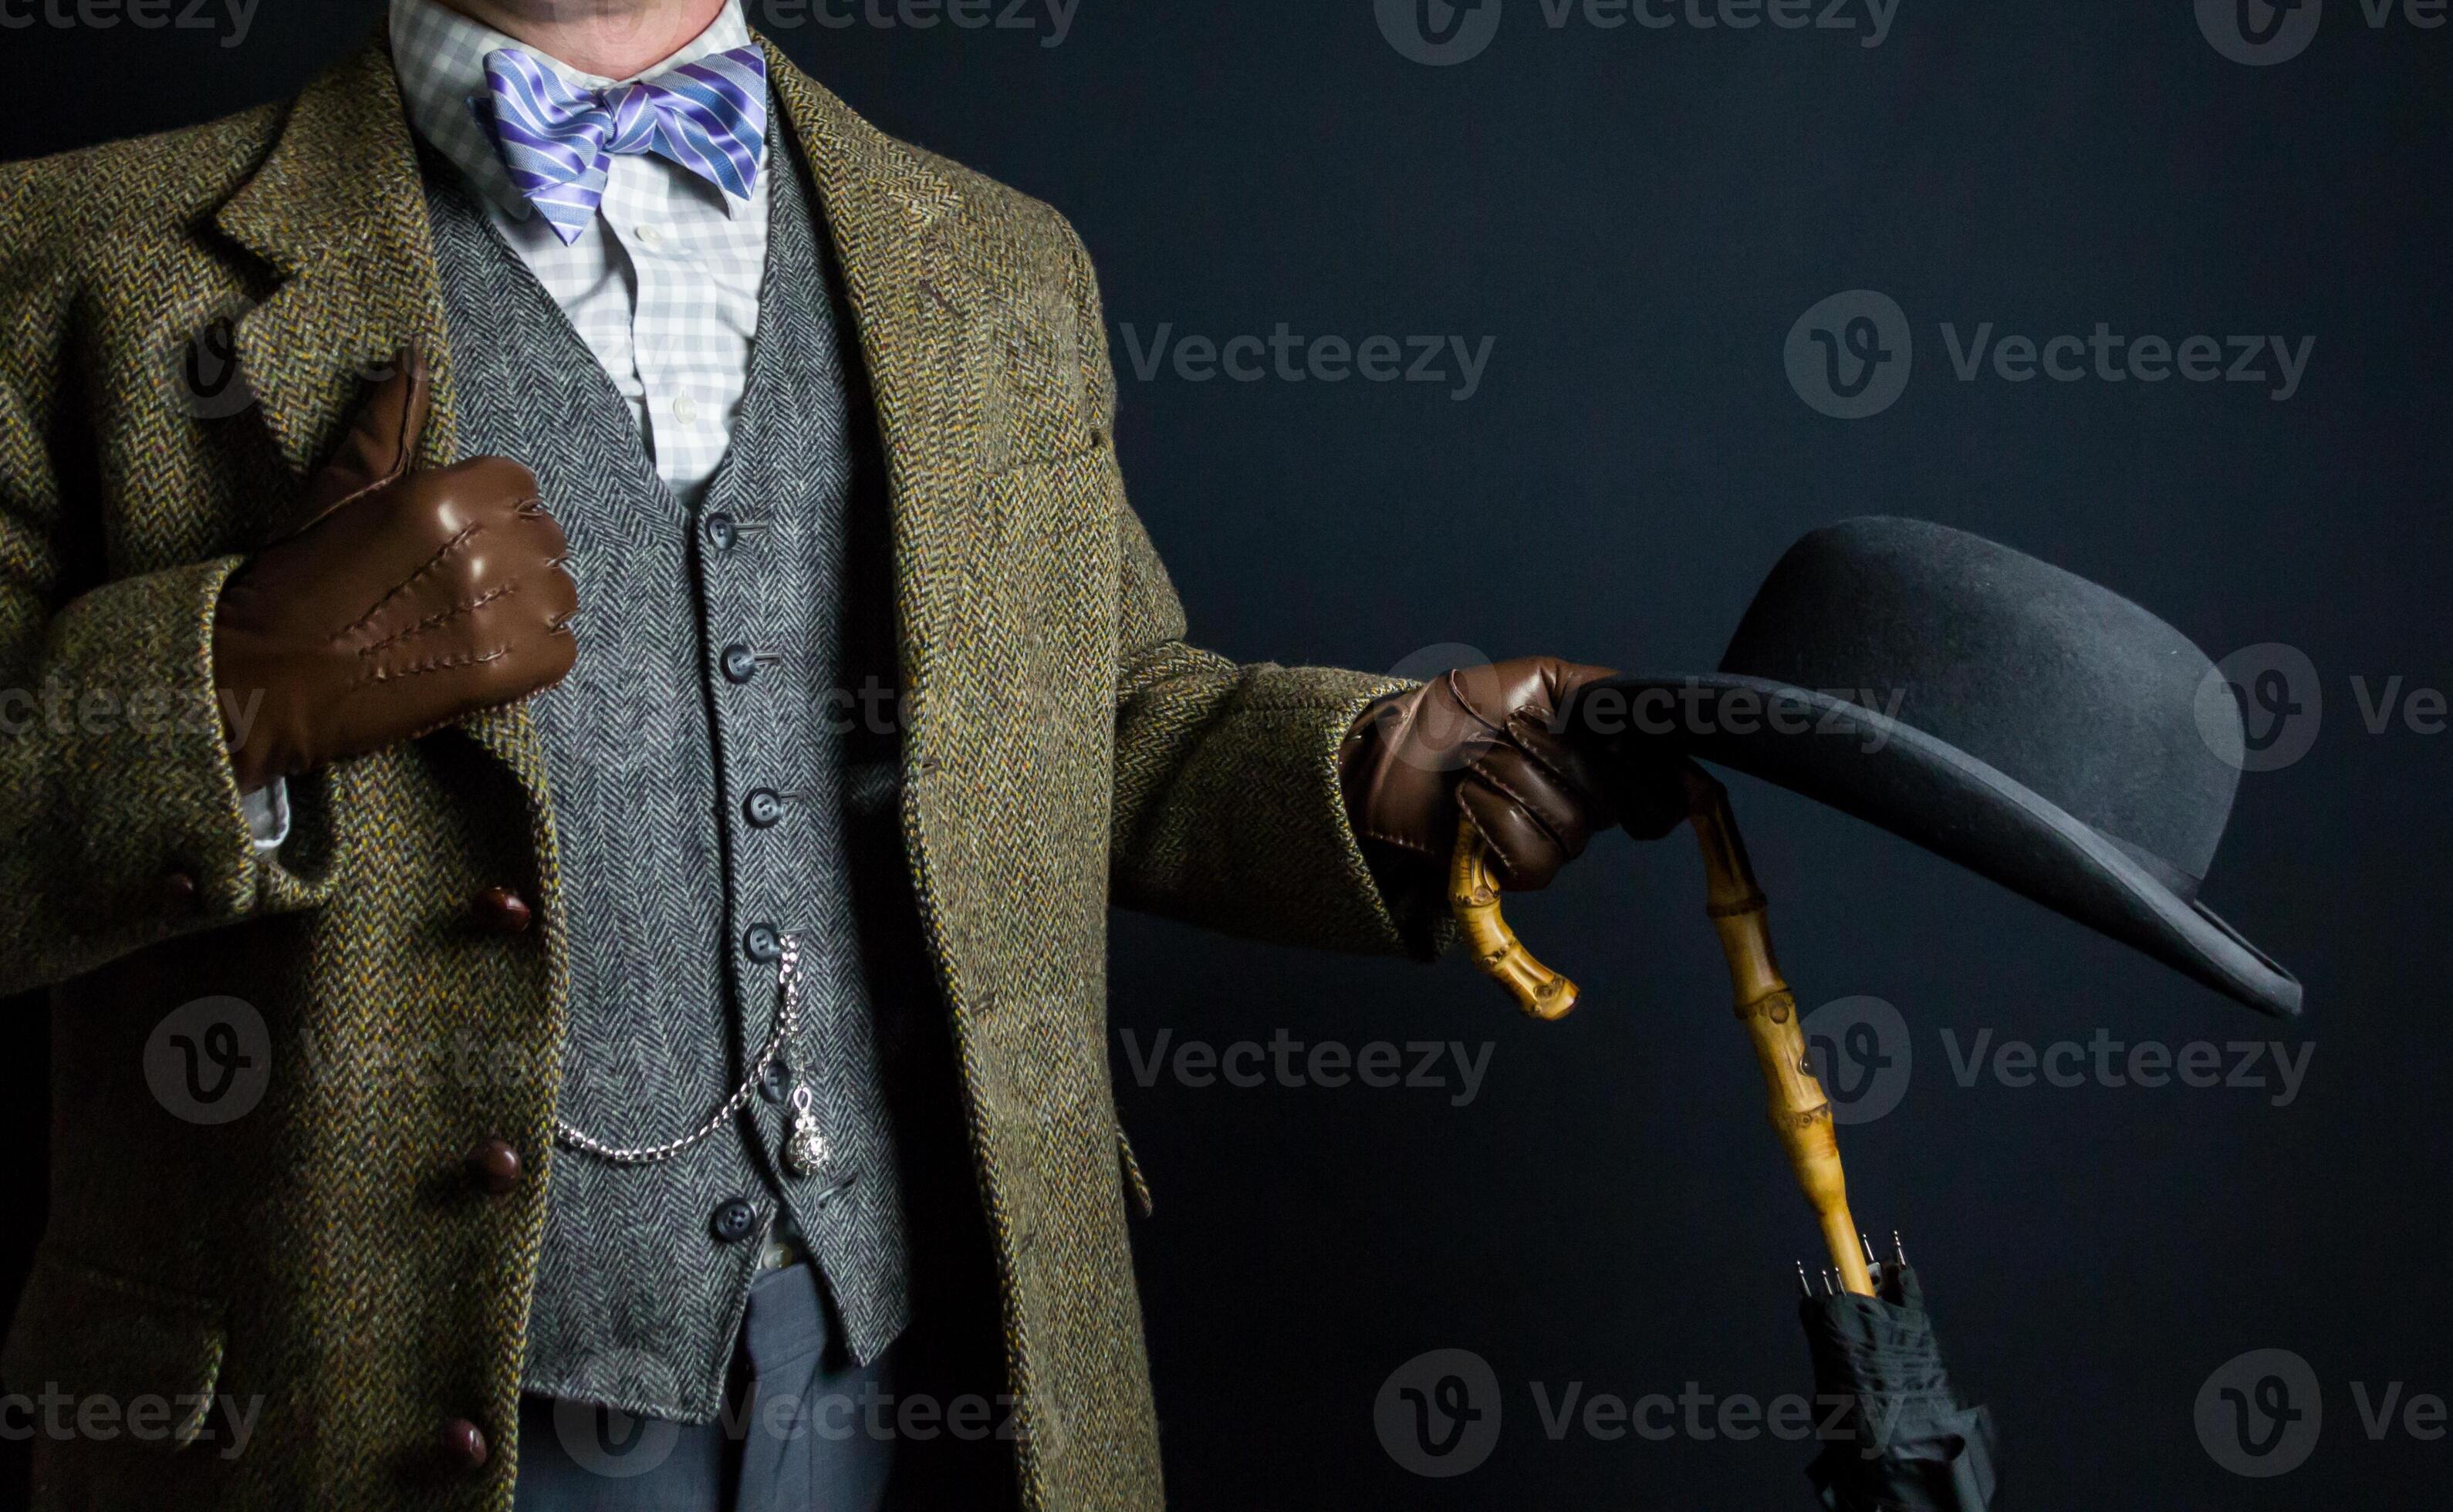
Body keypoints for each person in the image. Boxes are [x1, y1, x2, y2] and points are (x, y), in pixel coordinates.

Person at [0, 2, 1678, 1506]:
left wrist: (1374, 761)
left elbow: (1103, 716)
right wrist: (226, 687)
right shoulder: (72, 264)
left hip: (920, 1377)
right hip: (348, 1414)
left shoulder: (1003, 264)